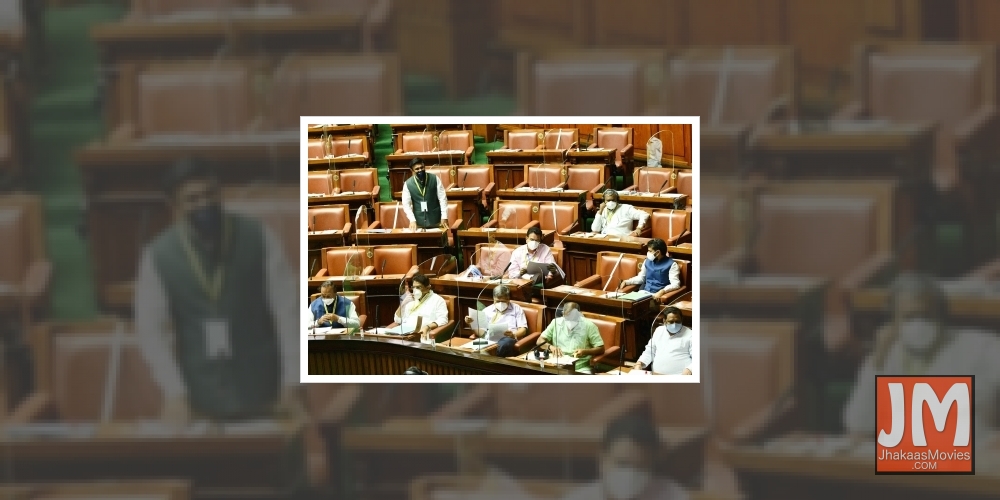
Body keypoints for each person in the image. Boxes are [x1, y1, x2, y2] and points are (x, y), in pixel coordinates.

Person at [135, 157, 299, 423]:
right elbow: (150, 330)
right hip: (200, 403)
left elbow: (289, 310)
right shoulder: (157, 256)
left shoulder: (258, 236)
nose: (204, 204)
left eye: (210, 194)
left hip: (267, 395)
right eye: (192, 199)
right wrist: (174, 392)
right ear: (174, 206)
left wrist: (293, 380)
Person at [842, 273, 1000, 438]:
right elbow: (858, 427)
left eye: (926, 316)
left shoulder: (980, 347)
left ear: (941, 316)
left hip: (972, 454)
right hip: (909, 456)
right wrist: (878, 358)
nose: (919, 324)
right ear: (894, 321)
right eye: (910, 317)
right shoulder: (888, 353)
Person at [562, 413, 689, 500]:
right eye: (622, 463)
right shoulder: (579, 498)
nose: (630, 474)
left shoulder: (672, 496)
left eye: (641, 467)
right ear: (602, 459)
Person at [536, 302, 604, 374]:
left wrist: (584, 351)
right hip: (557, 364)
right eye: (567, 319)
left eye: (573, 319)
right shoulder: (556, 322)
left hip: (580, 367)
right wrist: (550, 347)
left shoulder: (589, 325)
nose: (570, 322)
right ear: (563, 313)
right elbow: (539, 341)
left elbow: (601, 348)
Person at [633, 307, 695, 375]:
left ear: (682, 320)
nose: (674, 325)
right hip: (656, 376)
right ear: (664, 321)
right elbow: (650, 351)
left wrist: (690, 369)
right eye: (671, 322)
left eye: (677, 321)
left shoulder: (691, 334)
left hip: (679, 377)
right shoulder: (659, 331)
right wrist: (640, 363)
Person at [394, 273, 450, 340]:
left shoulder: (438, 300)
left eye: (418, 287)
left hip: (422, 333)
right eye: (413, 287)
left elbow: (443, 319)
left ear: (428, 288)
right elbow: (397, 320)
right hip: (405, 333)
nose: (415, 290)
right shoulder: (410, 300)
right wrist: (403, 303)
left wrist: (427, 327)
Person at [401, 157, 449, 230]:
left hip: (436, 221)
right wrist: (412, 220)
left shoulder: (435, 179)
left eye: (422, 167)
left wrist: (444, 216)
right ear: (412, 170)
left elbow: (443, 198)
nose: (420, 170)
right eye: (417, 169)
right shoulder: (408, 184)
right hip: (418, 223)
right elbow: (406, 204)